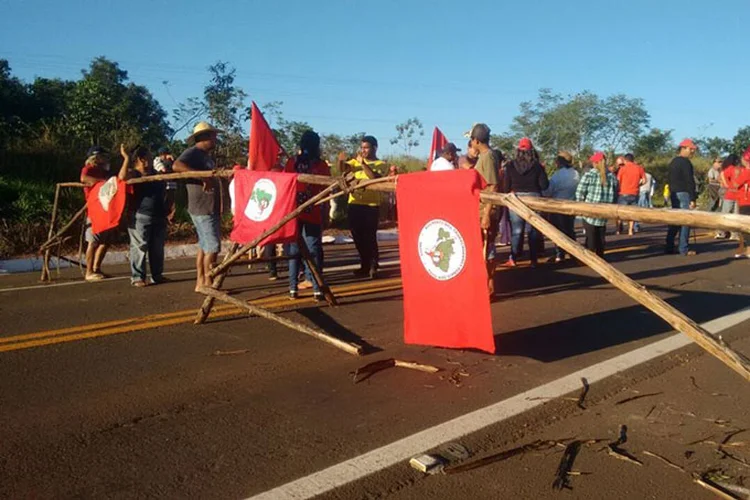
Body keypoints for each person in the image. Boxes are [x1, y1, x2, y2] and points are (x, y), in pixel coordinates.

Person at [173, 121, 223, 291]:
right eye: (213, 136)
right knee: (213, 246)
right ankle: (208, 282)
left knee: (204, 246)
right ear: (204, 137)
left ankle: (201, 281)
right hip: (202, 207)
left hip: (207, 206)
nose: (215, 140)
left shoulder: (205, 156)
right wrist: (202, 178)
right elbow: (176, 165)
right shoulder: (193, 153)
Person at [284, 130, 331, 300]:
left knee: (295, 250)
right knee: (313, 250)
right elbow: (326, 191)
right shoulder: (321, 165)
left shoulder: (292, 162)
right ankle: (317, 288)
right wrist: (326, 212)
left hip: (294, 211)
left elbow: (284, 185)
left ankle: (292, 288)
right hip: (314, 210)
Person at [118, 145, 167, 287]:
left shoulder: (156, 173)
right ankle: (137, 276)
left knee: (157, 248)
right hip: (140, 215)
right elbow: (122, 177)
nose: (152, 159)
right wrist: (126, 158)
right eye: (150, 157)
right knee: (139, 247)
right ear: (142, 159)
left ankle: (157, 275)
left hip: (159, 214)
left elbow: (166, 189)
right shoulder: (134, 173)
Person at [340, 135, 386, 279]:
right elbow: (343, 169)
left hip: (371, 205)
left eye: (366, 147)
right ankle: (364, 264)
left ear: (374, 148)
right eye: (362, 147)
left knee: (369, 236)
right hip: (355, 203)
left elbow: (373, 178)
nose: (363, 150)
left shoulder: (381, 164)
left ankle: (373, 265)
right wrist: (340, 160)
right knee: (357, 236)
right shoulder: (354, 162)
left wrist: (363, 163)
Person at [504, 137, 549, 268]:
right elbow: (544, 185)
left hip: (516, 199)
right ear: (531, 151)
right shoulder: (537, 166)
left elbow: (506, 187)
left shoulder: (510, 165)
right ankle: (533, 260)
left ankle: (513, 258)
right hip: (534, 198)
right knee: (533, 231)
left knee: (517, 231)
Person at [467, 123, 500, 294]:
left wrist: (487, 214)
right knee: (482, 249)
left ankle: (489, 285)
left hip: (486, 212)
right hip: (479, 210)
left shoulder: (488, 157)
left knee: (487, 249)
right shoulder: (485, 156)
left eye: (471, 139)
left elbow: (493, 186)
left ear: (476, 140)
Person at [80, 145, 117, 281]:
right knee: (93, 241)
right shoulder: (89, 169)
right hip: (95, 209)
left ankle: (96, 268)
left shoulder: (104, 171)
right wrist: (102, 183)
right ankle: (89, 271)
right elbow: (84, 178)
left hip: (106, 209)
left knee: (105, 241)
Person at [575, 152, 618, 257]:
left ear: (595, 163)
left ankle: (589, 258)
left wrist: (580, 204)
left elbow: (580, 192)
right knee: (601, 236)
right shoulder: (612, 177)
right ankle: (600, 256)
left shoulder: (589, 175)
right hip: (604, 211)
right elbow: (615, 193)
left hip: (590, 210)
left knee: (590, 237)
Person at [545, 151, 579, 262]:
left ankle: (560, 253)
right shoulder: (576, 174)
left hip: (558, 205)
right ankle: (574, 252)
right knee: (570, 229)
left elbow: (549, 191)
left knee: (558, 231)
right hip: (571, 205)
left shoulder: (558, 175)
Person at [665, 139, 698, 256]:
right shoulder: (685, 162)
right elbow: (689, 181)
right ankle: (683, 248)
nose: (692, 152)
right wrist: (693, 198)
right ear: (683, 148)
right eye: (691, 149)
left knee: (675, 220)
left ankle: (669, 245)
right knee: (685, 221)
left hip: (674, 192)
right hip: (684, 192)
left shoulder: (673, 162)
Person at [616, 153, 646, 236]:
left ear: (625, 160)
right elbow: (644, 180)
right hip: (634, 192)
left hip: (623, 192)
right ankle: (630, 230)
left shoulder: (622, 169)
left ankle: (618, 230)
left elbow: (618, 180)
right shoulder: (639, 168)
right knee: (631, 213)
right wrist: (638, 185)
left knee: (619, 213)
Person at [730, 147, 750, 258]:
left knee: (745, 227)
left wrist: (736, 176)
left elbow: (736, 184)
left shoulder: (746, 172)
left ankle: (749, 250)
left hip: (746, 201)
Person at [719, 154, 742, 240]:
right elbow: (722, 174)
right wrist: (727, 185)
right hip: (730, 194)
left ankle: (733, 233)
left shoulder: (737, 169)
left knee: (733, 214)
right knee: (727, 213)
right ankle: (722, 232)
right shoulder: (732, 168)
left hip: (735, 194)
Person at [153, 147, 177, 224]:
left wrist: (172, 161)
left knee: (172, 205)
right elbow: (163, 170)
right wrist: (168, 162)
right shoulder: (157, 160)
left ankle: (169, 220)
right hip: (163, 186)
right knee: (163, 203)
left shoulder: (171, 161)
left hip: (172, 185)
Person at [634, 168, 655, 233]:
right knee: (646, 205)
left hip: (641, 190)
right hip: (647, 190)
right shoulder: (649, 175)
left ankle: (636, 225)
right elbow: (653, 183)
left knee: (639, 207)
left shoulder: (640, 175)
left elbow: (639, 182)